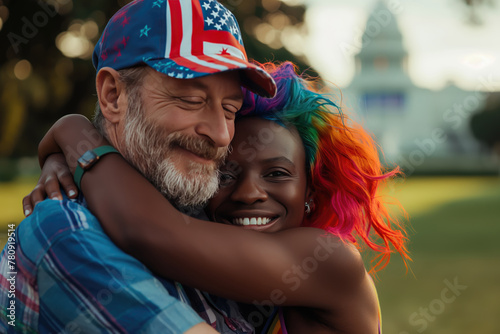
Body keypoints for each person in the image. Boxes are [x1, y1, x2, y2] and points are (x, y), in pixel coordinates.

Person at [25, 62, 410, 333]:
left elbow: (151, 231)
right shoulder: (223, 257)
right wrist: (62, 155)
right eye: (225, 174)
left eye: (277, 174)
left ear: (310, 190)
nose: (247, 193)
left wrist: (74, 133)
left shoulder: (327, 262)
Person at [0, 0, 277, 333]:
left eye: (230, 110)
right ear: (114, 95)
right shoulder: (65, 233)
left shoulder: (212, 209)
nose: (220, 135)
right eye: (191, 100)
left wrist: (71, 137)